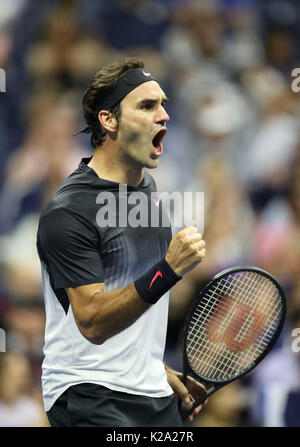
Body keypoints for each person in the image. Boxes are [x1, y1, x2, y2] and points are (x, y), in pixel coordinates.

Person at [36, 57, 207, 427]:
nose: (163, 115)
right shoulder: (69, 211)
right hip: (88, 394)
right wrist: (169, 269)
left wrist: (155, 367)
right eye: (147, 106)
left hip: (149, 390)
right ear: (108, 120)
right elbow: (93, 322)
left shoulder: (147, 189)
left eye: (163, 104)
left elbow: (128, 299)